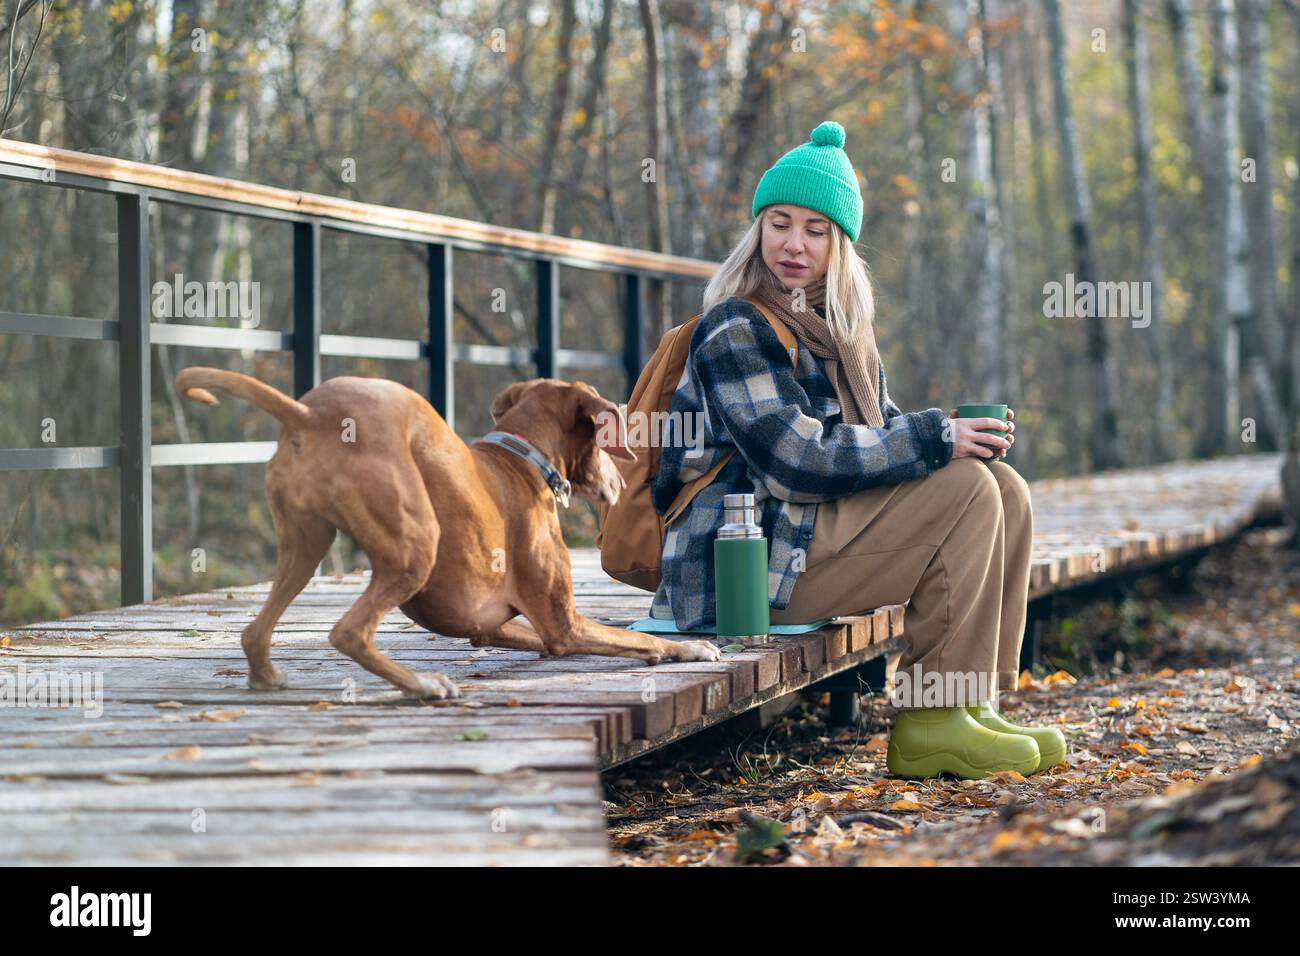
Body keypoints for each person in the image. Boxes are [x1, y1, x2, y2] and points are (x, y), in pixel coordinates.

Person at [648, 120, 1065, 780]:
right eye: (779, 222)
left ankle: (969, 704)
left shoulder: (843, 336)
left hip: (805, 547)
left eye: (815, 230)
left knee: (999, 484)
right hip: (740, 569)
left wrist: (958, 441)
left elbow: (886, 442)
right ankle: (932, 723)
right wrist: (933, 439)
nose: (793, 243)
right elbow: (796, 460)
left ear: (839, 244)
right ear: (757, 227)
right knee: (965, 490)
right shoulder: (735, 327)